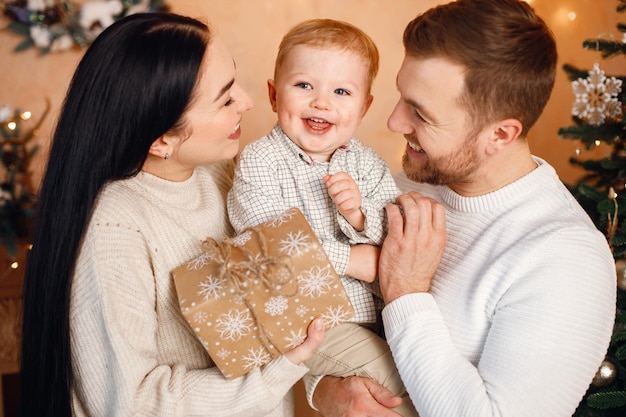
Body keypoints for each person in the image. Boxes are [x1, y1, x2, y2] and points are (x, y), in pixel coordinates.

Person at [310, 1, 617, 416]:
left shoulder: (565, 258)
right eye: (402, 96)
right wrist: (326, 390)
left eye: (421, 113)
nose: (395, 123)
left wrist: (406, 293)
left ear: (500, 134)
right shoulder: (403, 185)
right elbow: (331, 319)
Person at [19, 12, 325, 417]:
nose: (248, 103)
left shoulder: (225, 172)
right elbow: (130, 405)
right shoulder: (113, 231)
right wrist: (276, 373)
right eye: (226, 97)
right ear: (162, 140)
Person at [227, 19, 414, 416]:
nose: (321, 103)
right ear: (274, 95)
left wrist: (360, 216)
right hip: (310, 320)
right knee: (407, 384)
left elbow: (395, 237)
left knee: (430, 363)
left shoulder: (369, 164)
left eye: (341, 91)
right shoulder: (262, 162)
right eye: (304, 86)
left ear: (363, 107)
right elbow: (268, 247)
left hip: (378, 315)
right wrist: (354, 259)